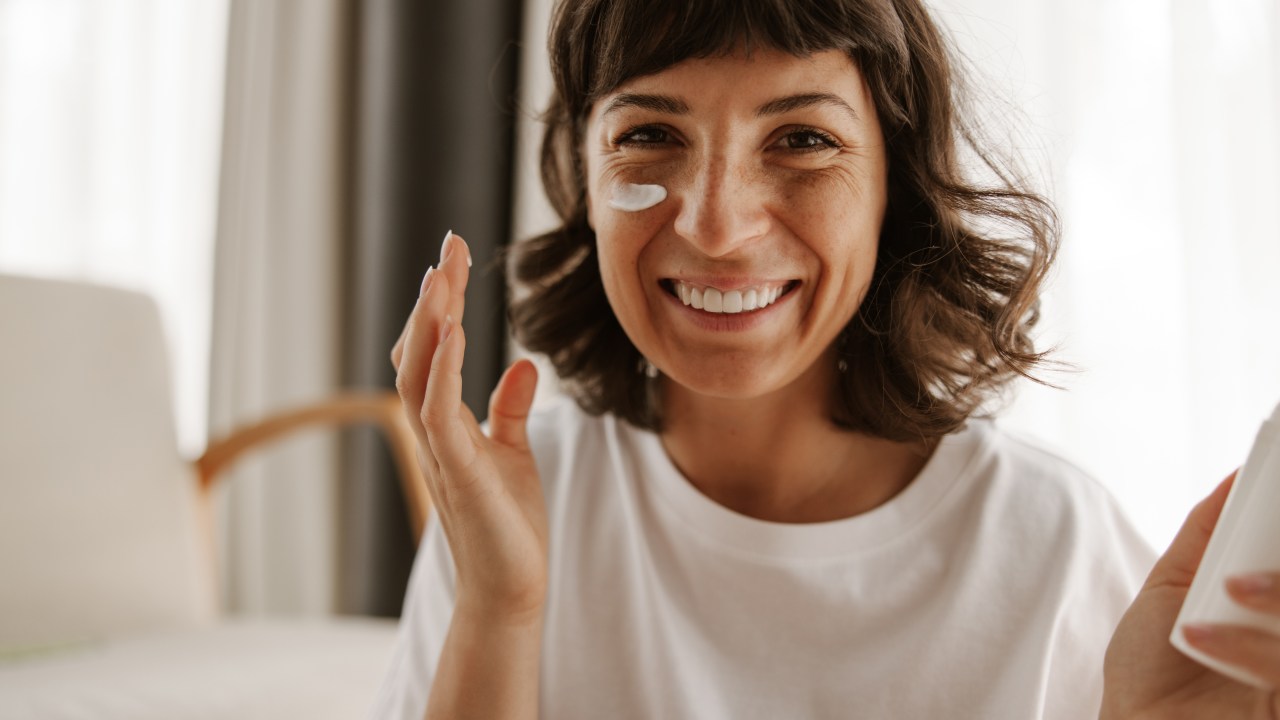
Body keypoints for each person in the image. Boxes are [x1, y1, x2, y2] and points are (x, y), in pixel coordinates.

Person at [371, 0, 1280, 717]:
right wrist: (501, 609)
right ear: (585, 182)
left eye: (802, 139)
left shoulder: (1052, 547)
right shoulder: (515, 503)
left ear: (897, 185)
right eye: (649, 135)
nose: (718, 227)